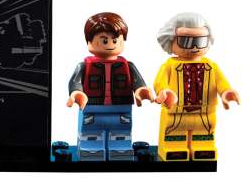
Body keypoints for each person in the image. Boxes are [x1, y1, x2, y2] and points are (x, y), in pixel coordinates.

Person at [67, 12, 153, 161]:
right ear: (89, 42)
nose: (111, 44)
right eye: (105, 40)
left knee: (121, 131)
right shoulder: (84, 66)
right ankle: (91, 149)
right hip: (93, 107)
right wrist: (76, 92)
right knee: (91, 132)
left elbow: (137, 82)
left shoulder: (128, 65)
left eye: (115, 40)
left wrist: (141, 90)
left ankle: (120, 149)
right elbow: (75, 81)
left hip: (121, 107)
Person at [154, 12, 239, 161]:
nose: (194, 47)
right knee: (174, 134)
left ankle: (202, 148)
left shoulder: (211, 66)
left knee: (204, 134)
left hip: (204, 113)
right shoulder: (169, 66)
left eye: (200, 41)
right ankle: (174, 149)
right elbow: (160, 82)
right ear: (170, 40)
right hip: (176, 113)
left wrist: (226, 92)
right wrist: (164, 91)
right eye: (185, 41)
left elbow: (221, 83)